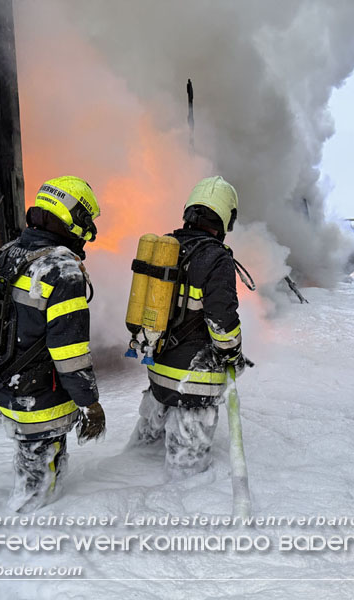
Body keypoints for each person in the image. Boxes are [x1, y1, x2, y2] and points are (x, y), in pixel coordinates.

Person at [0, 175, 105, 511]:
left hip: (6, 385)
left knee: (35, 464)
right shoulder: (63, 270)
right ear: (71, 216)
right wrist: (90, 403)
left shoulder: (10, 252)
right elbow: (69, 352)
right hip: (41, 394)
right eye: (86, 220)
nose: (89, 231)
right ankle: (20, 544)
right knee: (38, 494)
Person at [131, 176, 245, 477]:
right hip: (193, 385)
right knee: (186, 479)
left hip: (157, 376)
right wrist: (233, 355)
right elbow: (222, 322)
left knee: (137, 461)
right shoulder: (215, 258)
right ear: (225, 219)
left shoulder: (167, 247)